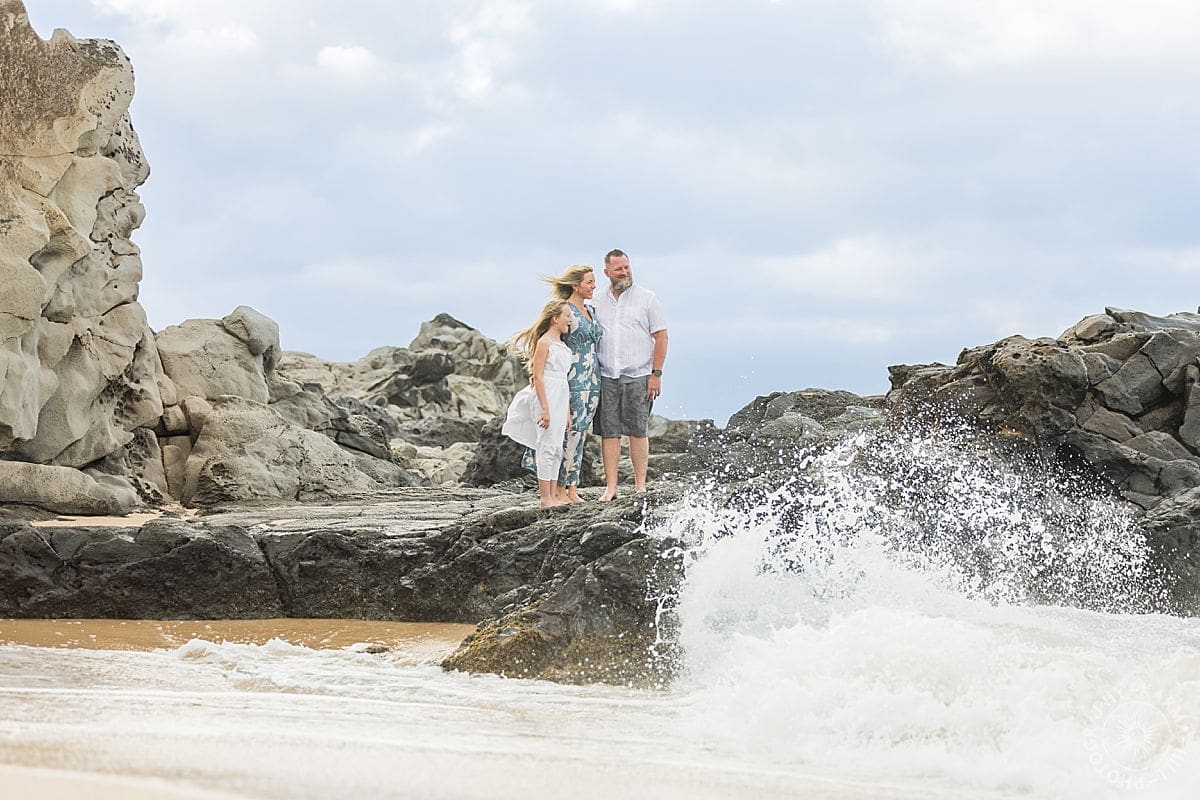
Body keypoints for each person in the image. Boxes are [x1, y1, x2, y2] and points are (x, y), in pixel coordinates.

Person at [592, 249, 668, 500]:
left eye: (627, 267)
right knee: (609, 432)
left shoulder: (648, 299)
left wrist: (656, 374)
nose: (624, 272)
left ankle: (640, 486)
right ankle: (611, 487)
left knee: (638, 431)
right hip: (606, 375)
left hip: (639, 375)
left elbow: (661, 336)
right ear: (607, 273)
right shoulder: (597, 301)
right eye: (618, 269)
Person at [502, 300, 574, 508]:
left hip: (561, 393)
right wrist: (544, 408)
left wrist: (567, 412)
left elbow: (565, 381)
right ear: (555, 318)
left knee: (556, 447)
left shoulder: (562, 345)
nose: (570, 320)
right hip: (546, 394)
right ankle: (545, 498)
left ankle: (552, 494)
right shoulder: (545, 343)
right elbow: (538, 376)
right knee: (546, 445)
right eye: (567, 315)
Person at [542, 265, 602, 503]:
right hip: (572, 378)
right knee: (567, 432)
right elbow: (549, 335)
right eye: (589, 282)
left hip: (593, 378)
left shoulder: (591, 311)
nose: (594, 286)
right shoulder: (565, 309)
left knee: (581, 434)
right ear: (576, 285)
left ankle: (572, 488)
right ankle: (557, 489)